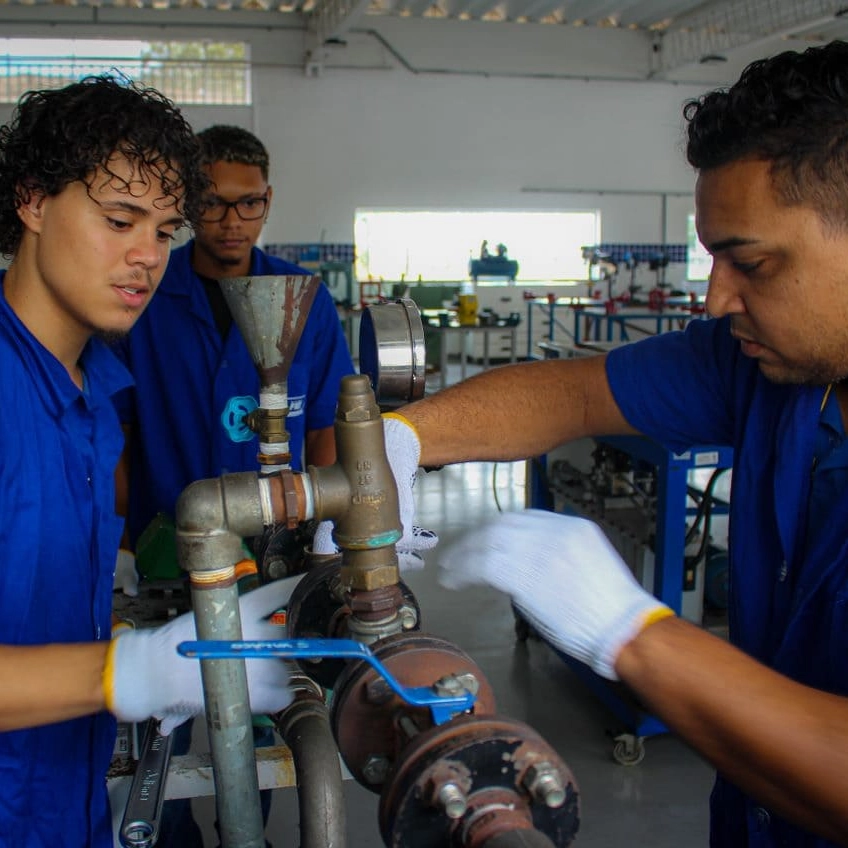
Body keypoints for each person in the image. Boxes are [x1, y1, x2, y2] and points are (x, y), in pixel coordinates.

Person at [382, 41, 848, 848]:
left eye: (752, 263)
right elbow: (576, 391)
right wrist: (400, 440)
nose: (713, 299)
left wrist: (634, 634)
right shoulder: (767, 368)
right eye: (711, 259)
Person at [0, 75, 293, 848]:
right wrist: (124, 673)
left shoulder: (95, 389)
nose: (145, 257)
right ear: (32, 202)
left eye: (164, 231)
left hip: (64, 798)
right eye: (119, 219)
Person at [113, 123, 355, 846]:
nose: (231, 221)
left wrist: (324, 529)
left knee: (264, 715)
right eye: (214, 205)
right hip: (166, 549)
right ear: (191, 204)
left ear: (268, 200)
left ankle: (246, 832)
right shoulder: (149, 294)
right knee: (164, 717)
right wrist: (124, 540)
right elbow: (116, 427)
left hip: (273, 553)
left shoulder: (301, 299)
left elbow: (327, 429)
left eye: (248, 205)